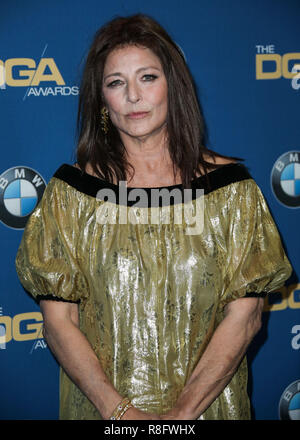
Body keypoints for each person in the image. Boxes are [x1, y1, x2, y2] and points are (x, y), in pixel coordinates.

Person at [15, 14, 292, 420]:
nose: (133, 96)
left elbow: (246, 316)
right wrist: (124, 416)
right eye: (115, 83)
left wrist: (177, 421)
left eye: (147, 77)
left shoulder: (232, 191)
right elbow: (60, 323)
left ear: (172, 87)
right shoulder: (71, 196)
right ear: (102, 101)